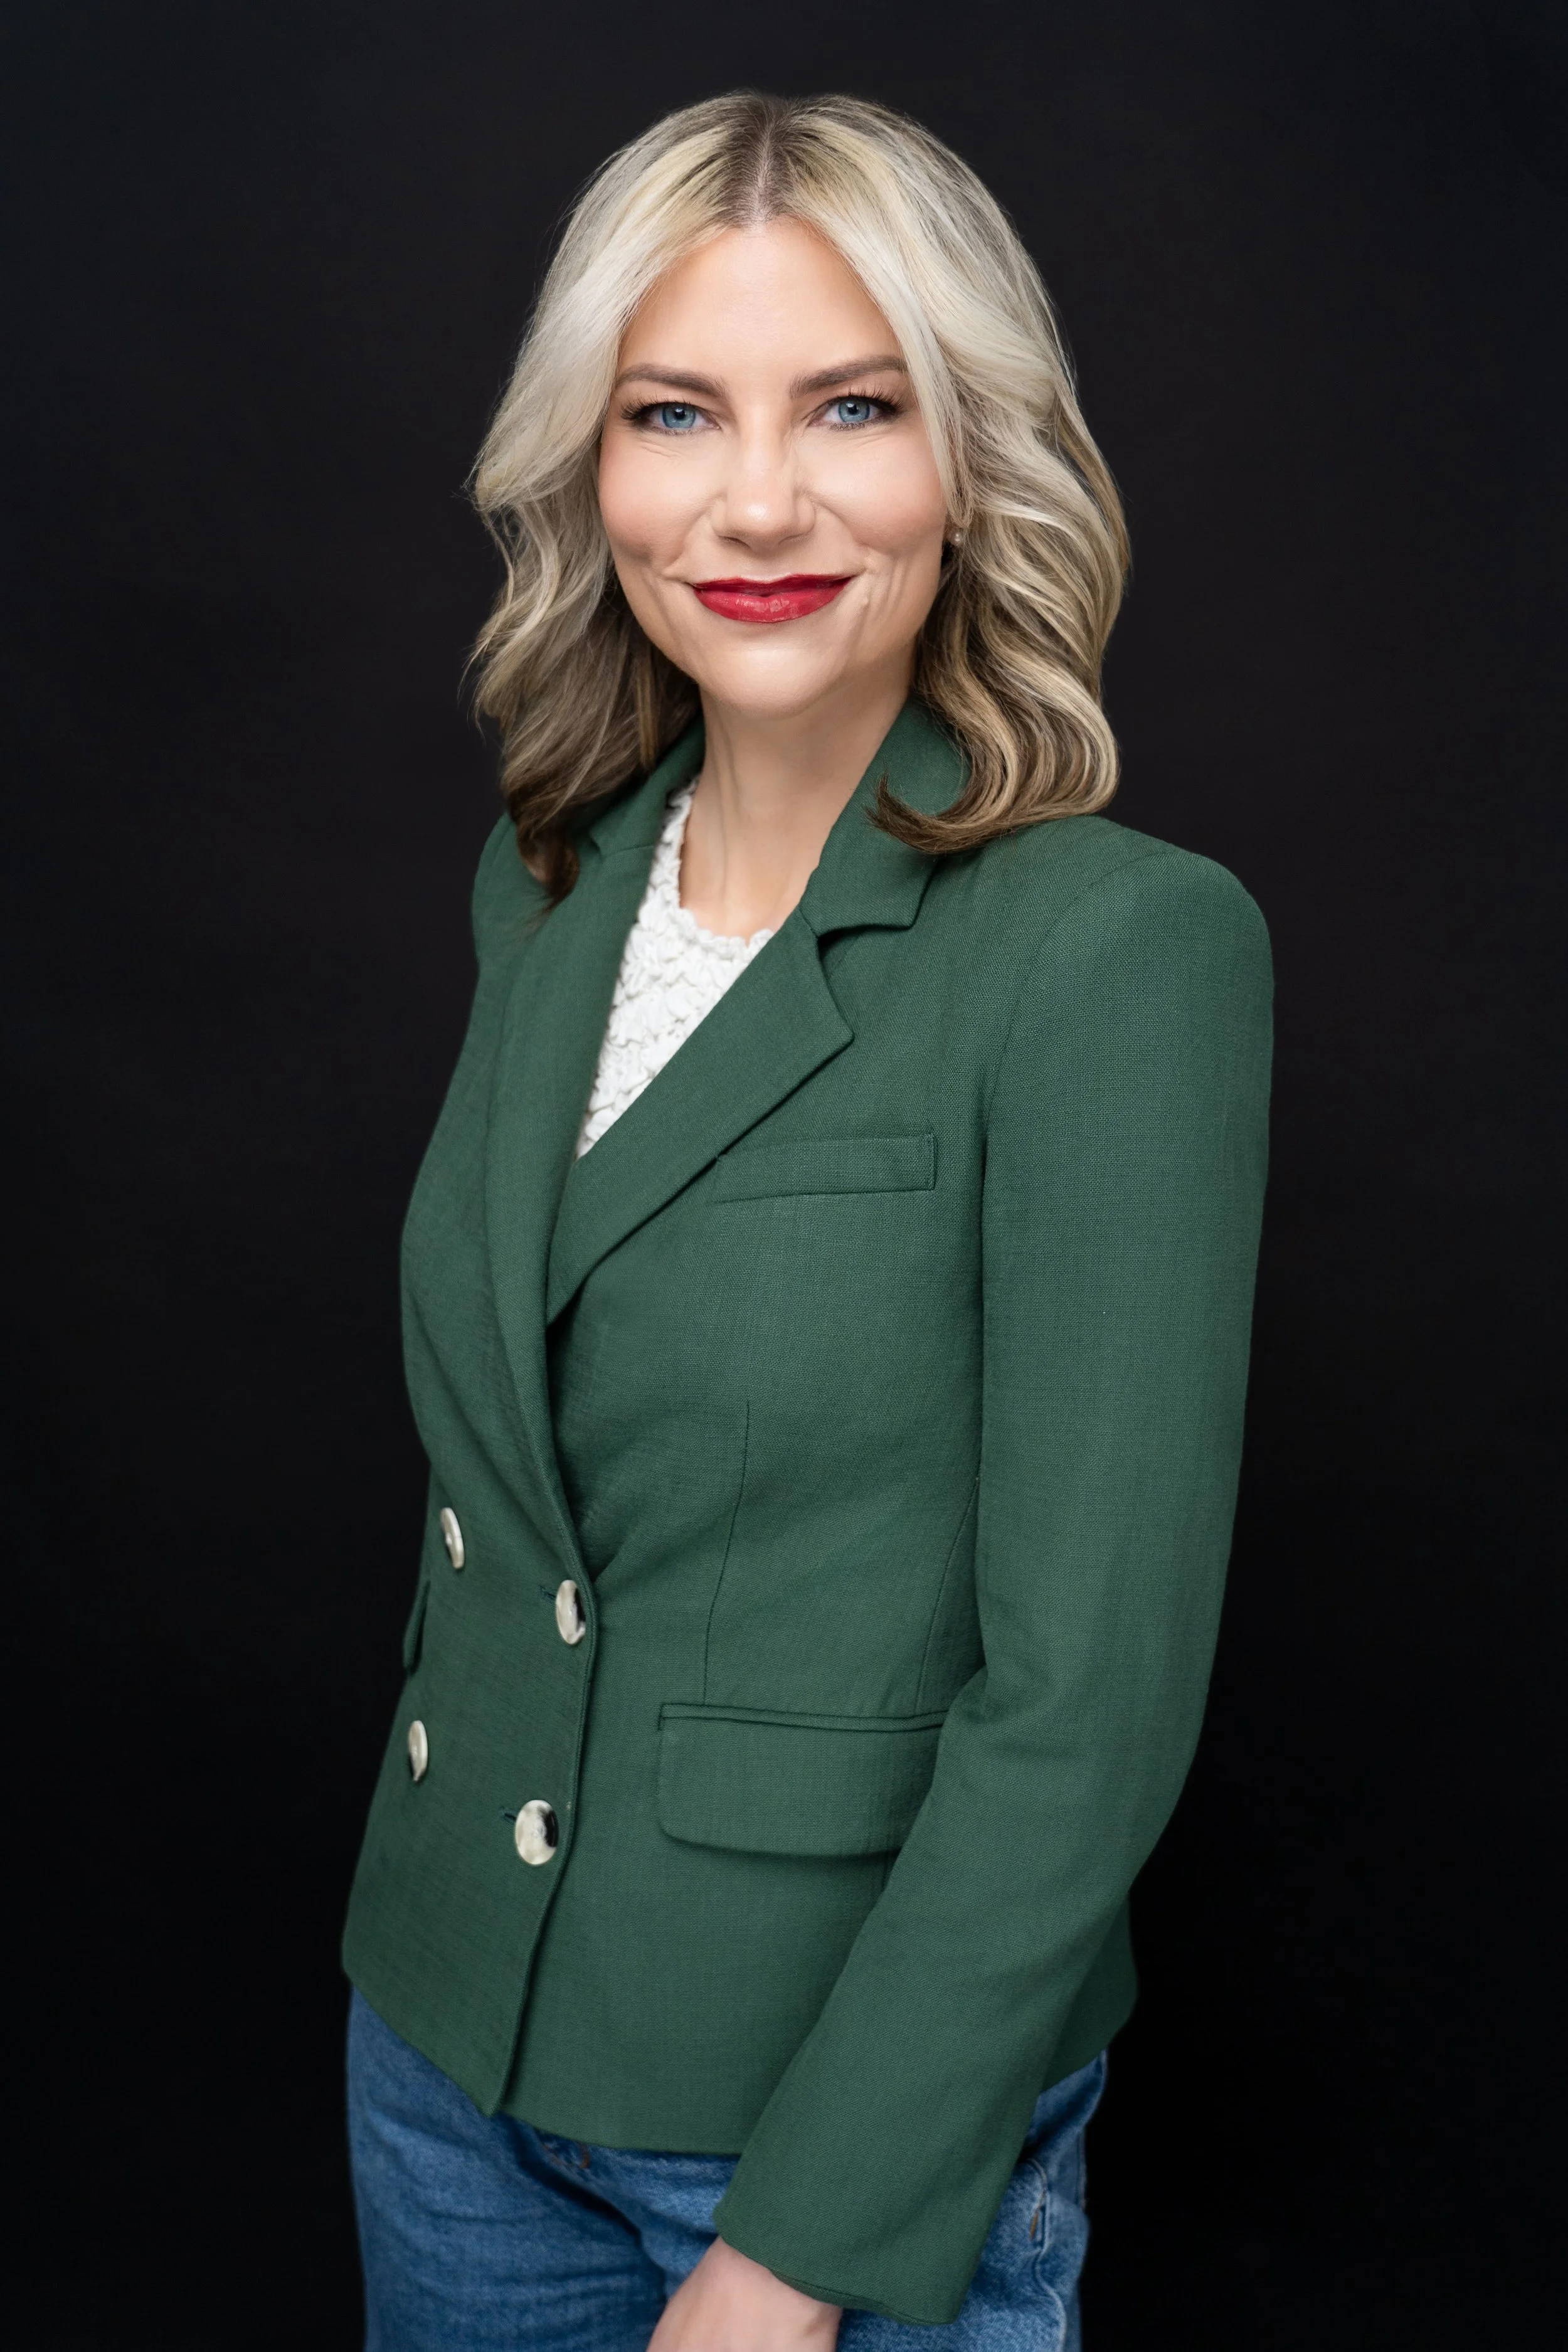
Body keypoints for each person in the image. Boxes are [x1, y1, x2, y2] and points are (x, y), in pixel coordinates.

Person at [342, 91, 1272, 2352]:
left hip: (811, 2145)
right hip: (446, 2053)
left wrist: (798, 2252)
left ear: (969, 460)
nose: (756, 498)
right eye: (676, 412)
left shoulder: (1112, 954)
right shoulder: (549, 876)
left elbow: (1084, 1708)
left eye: (850, 406)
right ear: (594, 467)